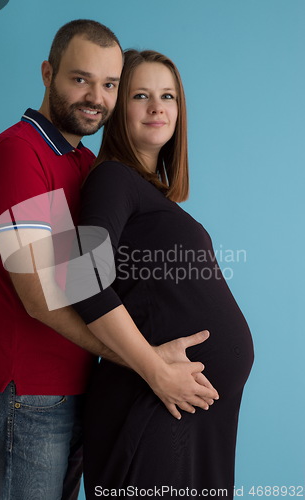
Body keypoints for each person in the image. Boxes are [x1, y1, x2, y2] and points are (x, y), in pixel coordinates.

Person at [0, 21, 218, 500]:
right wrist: (147, 365)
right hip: (26, 392)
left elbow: (89, 278)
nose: (95, 97)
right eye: (80, 79)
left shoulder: (81, 165)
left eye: (109, 84)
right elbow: (40, 296)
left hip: (74, 388)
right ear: (47, 73)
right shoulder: (21, 154)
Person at [73, 50, 255, 499]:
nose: (158, 107)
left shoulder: (149, 195)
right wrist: (156, 371)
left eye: (167, 95)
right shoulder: (112, 178)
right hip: (151, 403)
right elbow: (79, 277)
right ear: (117, 111)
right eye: (141, 95)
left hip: (186, 412)